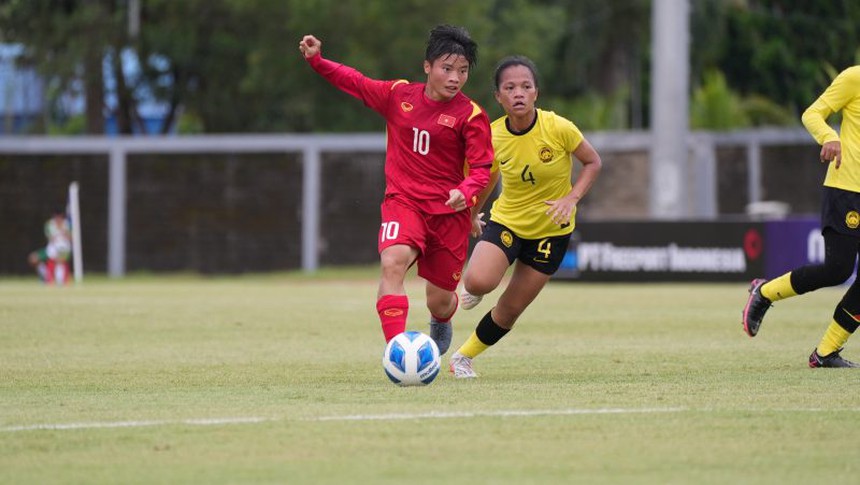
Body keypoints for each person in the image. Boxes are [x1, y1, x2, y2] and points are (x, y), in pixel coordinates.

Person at [298, 26, 493, 353]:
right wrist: (317, 60)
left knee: (440, 301)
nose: (455, 78)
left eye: (462, 71)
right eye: (447, 69)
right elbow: (356, 82)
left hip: (449, 214)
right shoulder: (399, 95)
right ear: (427, 67)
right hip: (404, 203)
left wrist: (466, 190)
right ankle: (398, 354)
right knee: (393, 262)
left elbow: (482, 168)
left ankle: (441, 319)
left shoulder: (471, 115)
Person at [448, 56, 602, 378]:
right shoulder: (491, 135)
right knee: (478, 281)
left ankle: (462, 357)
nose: (518, 93)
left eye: (525, 86)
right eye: (510, 87)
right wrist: (474, 214)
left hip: (551, 232)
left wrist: (571, 198)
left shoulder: (558, 127)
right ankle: (475, 288)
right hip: (508, 222)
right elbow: (486, 178)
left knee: (510, 309)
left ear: (536, 93)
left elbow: (593, 162)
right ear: (498, 97)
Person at [742, 65, 860, 368]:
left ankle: (826, 352)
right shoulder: (853, 78)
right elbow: (812, 113)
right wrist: (828, 137)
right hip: (847, 190)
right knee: (838, 269)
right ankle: (764, 292)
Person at [27, 211, 72, 285]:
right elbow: (50, 239)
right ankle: (45, 277)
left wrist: (65, 232)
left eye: (60, 217)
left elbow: (71, 238)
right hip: (51, 249)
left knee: (60, 260)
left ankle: (59, 282)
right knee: (33, 258)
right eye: (56, 217)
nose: (58, 219)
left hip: (64, 249)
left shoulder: (67, 224)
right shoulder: (49, 224)